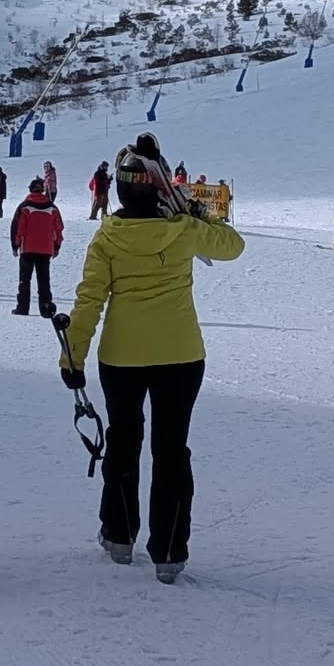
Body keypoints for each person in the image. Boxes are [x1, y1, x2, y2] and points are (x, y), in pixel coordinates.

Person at [60, 145, 245, 582]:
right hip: (181, 355)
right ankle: (169, 552)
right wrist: (197, 211)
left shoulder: (106, 237)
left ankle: (120, 536)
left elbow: (89, 301)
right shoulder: (183, 229)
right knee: (172, 450)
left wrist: (72, 356)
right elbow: (233, 246)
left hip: (122, 357)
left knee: (124, 443)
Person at [10, 178, 63, 316]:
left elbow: (17, 227)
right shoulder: (52, 207)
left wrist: (15, 245)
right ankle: (46, 309)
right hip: (46, 249)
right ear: (43, 190)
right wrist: (56, 246)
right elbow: (59, 229)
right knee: (44, 280)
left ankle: (23, 307)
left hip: (28, 248)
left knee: (24, 280)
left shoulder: (25, 206)